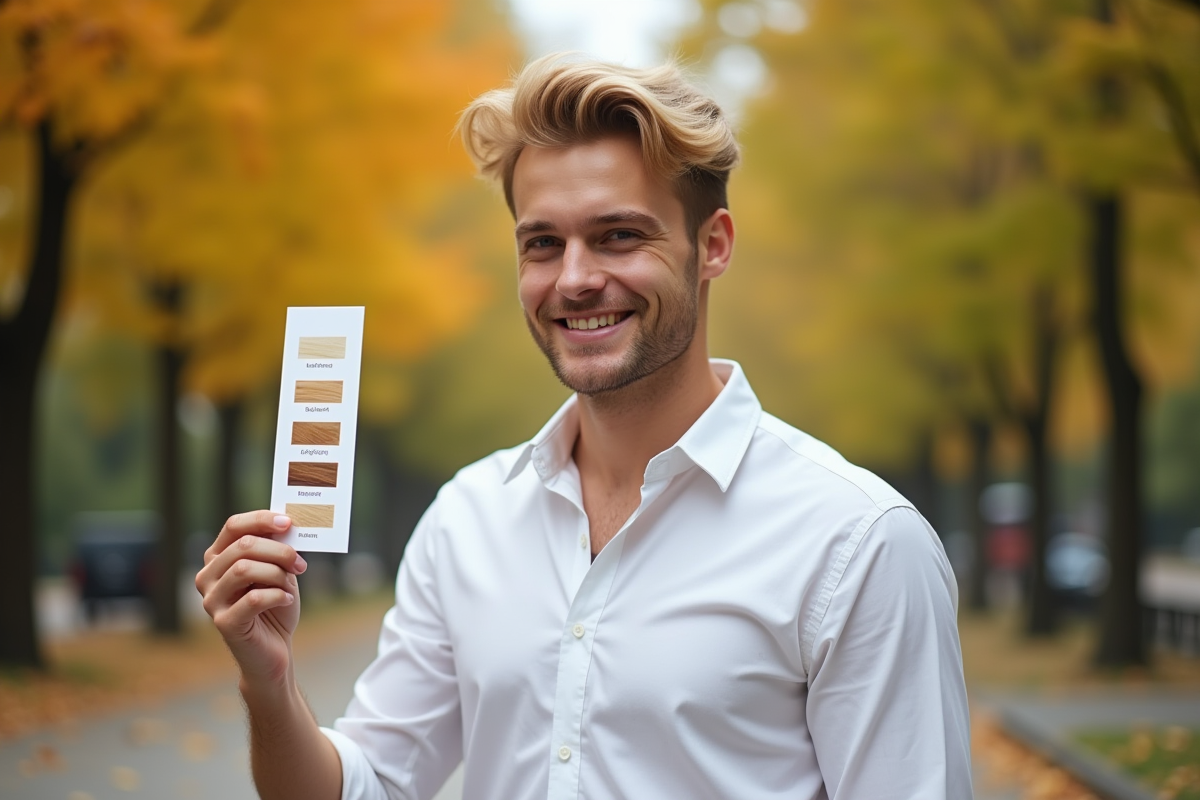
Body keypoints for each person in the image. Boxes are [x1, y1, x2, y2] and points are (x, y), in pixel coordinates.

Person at [195, 54, 973, 800]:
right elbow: (365, 788)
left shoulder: (859, 543)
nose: (573, 279)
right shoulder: (467, 519)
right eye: (543, 244)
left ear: (714, 245)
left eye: (618, 235)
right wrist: (270, 685)